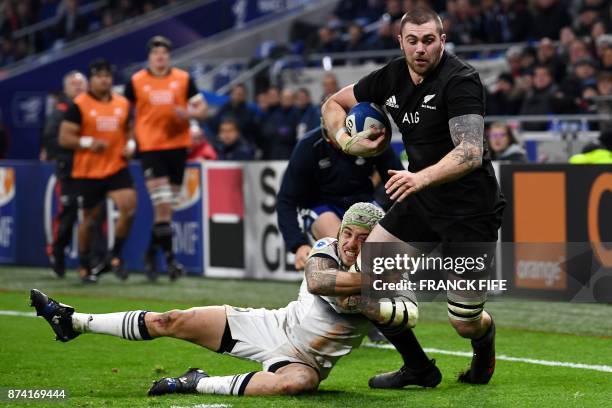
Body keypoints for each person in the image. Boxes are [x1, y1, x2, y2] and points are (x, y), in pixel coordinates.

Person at [30, 203, 420, 397]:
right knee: (172, 319)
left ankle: (196, 382)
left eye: (363, 239)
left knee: (297, 383)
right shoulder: (327, 247)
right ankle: (73, 321)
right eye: (349, 233)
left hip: (308, 359)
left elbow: (409, 314)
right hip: (272, 325)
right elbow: (319, 282)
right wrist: (370, 288)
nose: (352, 243)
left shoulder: (392, 269)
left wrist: (385, 305)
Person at [321, 7, 505, 387]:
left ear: (442, 40)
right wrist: (346, 141)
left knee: (464, 321)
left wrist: (420, 178)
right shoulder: (389, 76)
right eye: (412, 40)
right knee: (368, 280)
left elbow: (470, 152)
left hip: (470, 210)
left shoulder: (461, 80)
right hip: (420, 200)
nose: (420, 48)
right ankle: (419, 369)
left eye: (429, 40)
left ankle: (484, 343)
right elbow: (332, 104)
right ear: (400, 41)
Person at [124, 35, 208, 281]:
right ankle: (171, 261)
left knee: (166, 208)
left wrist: (189, 113)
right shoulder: (137, 81)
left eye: (164, 53)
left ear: (169, 56)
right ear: (149, 57)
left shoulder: (183, 79)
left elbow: (202, 109)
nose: (160, 57)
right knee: (162, 205)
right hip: (150, 149)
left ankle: (150, 255)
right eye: (155, 53)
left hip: (177, 149)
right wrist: (129, 140)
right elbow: (123, 113)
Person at [277, 125, 402, 270]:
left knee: (389, 252)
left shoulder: (369, 138)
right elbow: (286, 200)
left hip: (363, 202)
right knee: (344, 245)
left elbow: (398, 184)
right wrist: (298, 244)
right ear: (325, 120)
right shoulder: (309, 145)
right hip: (321, 205)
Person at [59, 59, 137, 283]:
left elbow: (130, 129)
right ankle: (84, 264)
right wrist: (87, 142)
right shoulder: (80, 104)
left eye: (107, 76)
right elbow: (65, 138)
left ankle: (114, 255)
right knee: (89, 221)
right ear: (91, 79)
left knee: (129, 209)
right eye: (99, 76)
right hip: (88, 171)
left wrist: (131, 145)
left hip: (116, 166)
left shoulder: (122, 103)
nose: (104, 80)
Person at [42, 70, 92, 278]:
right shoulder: (60, 110)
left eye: (81, 83)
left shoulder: (94, 108)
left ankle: (87, 263)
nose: (78, 87)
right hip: (69, 170)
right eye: (73, 83)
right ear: (65, 88)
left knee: (92, 217)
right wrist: (77, 148)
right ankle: (58, 254)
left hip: (92, 170)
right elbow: (50, 141)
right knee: (68, 214)